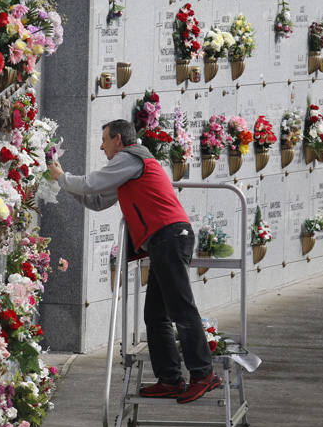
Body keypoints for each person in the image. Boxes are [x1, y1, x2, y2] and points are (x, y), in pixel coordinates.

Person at [49, 119, 220, 403]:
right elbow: (97, 200)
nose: (102, 146)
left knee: (181, 310)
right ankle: (170, 379)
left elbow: (92, 183)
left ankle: (203, 374)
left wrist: (62, 177)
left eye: (104, 140)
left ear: (118, 139)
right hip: (162, 241)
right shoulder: (128, 170)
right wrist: (67, 185)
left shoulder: (130, 158)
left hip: (169, 237)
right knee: (155, 315)